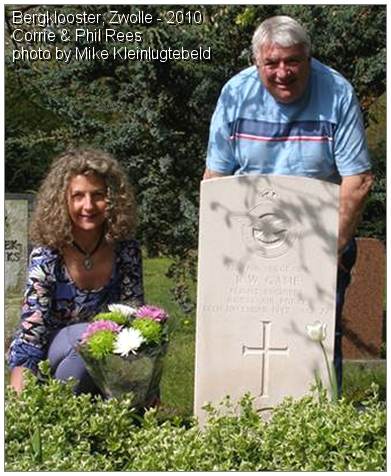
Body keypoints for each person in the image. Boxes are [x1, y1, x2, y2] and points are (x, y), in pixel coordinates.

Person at [203, 16, 374, 391]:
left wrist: (326, 252)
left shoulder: (337, 93)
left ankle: (319, 434)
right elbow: (216, 179)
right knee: (242, 340)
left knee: (317, 344)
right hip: (248, 247)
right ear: (256, 62)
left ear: (308, 57)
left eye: (293, 61)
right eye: (272, 63)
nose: (283, 72)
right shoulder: (235, 93)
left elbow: (357, 182)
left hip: (322, 242)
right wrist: (218, 252)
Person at [8, 149, 144, 395]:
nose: (88, 206)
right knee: (87, 335)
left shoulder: (127, 252)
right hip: (51, 360)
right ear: (63, 201)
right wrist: (18, 402)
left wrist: (144, 388)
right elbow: (32, 332)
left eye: (98, 195)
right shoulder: (47, 255)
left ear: (113, 199)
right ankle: (58, 407)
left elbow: (133, 320)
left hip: (105, 357)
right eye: (78, 196)